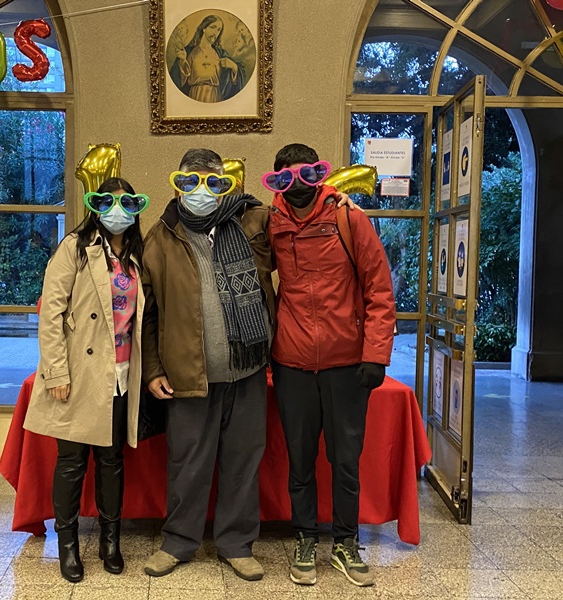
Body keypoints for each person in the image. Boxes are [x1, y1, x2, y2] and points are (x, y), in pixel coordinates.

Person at [265, 143, 396, 588]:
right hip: (292, 362)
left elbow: (379, 289)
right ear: (277, 181)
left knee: (345, 461)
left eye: (308, 176)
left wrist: (375, 355)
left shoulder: (348, 218)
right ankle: (305, 538)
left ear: (320, 176)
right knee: (300, 460)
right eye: (286, 178)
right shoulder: (271, 222)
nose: (298, 186)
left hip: (346, 363)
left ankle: (345, 542)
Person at [142, 148, 274, 581]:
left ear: (224, 184)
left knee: (243, 462)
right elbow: (149, 313)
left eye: (212, 181)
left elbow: (301, 226)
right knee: (188, 463)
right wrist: (153, 369)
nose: (202, 190)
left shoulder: (252, 221)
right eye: (191, 181)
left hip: (247, 369)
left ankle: (236, 544)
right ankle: (178, 542)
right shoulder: (161, 238)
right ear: (178, 184)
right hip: (187, 374)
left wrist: (337, 201)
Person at [24, 177, 149, 583]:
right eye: (108, 202)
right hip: (80, 372)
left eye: (126, 203)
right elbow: (51, 313)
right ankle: (68, 545)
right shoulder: (75, 248)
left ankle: (110, 541)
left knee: (112, 460)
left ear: (136, 209)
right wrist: (56, 372)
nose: (117, 211)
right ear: (96, 206)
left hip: (122, 373)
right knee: (72, 461)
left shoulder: (138, 253)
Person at [169, 15, 245, 103]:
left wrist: (234, 67)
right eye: (213, 27)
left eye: (219, 30)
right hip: (195, 96)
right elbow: (176, 80)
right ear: (204, 28)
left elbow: (236, 81)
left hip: (216, 97)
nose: (216, 32)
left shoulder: (221, 53)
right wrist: (182, 61)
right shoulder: (189, 51)